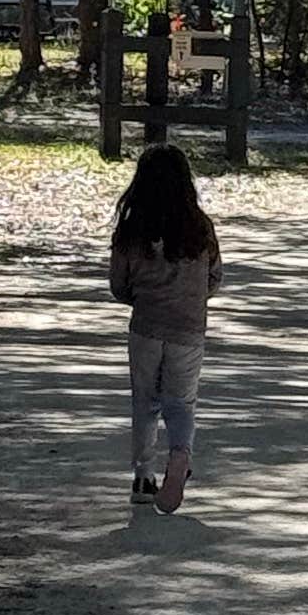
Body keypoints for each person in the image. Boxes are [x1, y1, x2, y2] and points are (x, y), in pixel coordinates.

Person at [108, 144, 223, 510]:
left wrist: (141, 297)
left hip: (146, 327)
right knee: (181, 402)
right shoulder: (201, 228)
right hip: (188, 330)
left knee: (145, 402)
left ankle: (143, 475)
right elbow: (215, 277)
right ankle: (180, 455)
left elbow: (118, 285)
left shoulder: (131, 230)